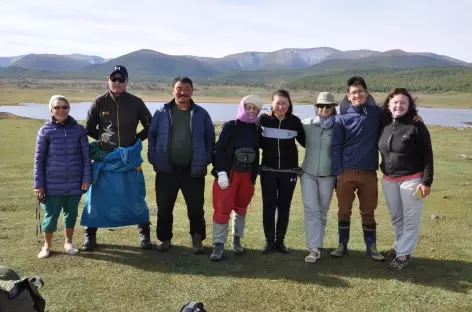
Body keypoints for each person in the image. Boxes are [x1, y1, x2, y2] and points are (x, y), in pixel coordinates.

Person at [82, 65, 153, 250]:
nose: (117, 82)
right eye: (114, 79)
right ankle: (90, 235)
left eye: (121, 79)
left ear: (127, 82)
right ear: (108, 80)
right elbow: (89, 128)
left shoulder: (136, 102)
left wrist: (136, 139)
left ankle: (144, 235)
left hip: (129, 159)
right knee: (96, 197)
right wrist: (103, 141)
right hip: (105, 159)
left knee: (136, 196)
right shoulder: (99, 102)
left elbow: (150, 125)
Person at [148, 76, 215, 254]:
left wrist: (206, 158)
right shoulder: (161, 112)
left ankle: (197, 239)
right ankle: (164, 239)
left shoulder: (201, 114)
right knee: (164, 207)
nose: (183, 92)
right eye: (179, 88)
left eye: (186, 88)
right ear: (173, 90)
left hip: (193, 170)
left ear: (192, 91)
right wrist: (153, 157)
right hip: (166, 169)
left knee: (195, 207)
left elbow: (210, 138)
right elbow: (152, 136)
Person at [378, 88, 434, 270]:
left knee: (410, 219)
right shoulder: (384, 123)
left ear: (409, 106)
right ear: (388, 104)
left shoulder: (416, 126)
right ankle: (399, 247)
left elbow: (427, 156)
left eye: (403, 103)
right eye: (395, 102)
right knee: (396, 217)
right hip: (388, 179)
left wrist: (426, 182)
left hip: (412, 179)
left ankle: (403, 255)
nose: (398, 106)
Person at [331, 76, 385, 261]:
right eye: (353, 92)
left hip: (369, 171)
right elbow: (336, 146)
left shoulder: (377, 113)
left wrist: (415, 116)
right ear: (348, 95)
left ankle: (372, 247)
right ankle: (341, 245)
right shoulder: (341, 118)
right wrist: (338, 171)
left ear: (366, 92)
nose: (357, 95)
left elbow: (398, 113)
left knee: (368, 211)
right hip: (346, 171)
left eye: (360, 91)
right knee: (344, 210)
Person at [33, 95, 92, 258]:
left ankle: (68, 242)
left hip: (74, 183)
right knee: (50, 217)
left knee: (71, 215)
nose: (60, 110)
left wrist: (86, 179)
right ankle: (47, 246)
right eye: (57, 107)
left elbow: (86, 156)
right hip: (52, 183)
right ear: (51, 110)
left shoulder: (79, 129)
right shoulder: (45, 130)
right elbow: (39, 159)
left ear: (69, 109)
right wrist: (39, 184)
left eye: (64, 107)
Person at [210, 94, 263, 261]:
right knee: (222, 207)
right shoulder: (230, 126)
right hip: (230, 174)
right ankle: (218, 245)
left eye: (255, 108)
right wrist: (221, 172)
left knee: (241, 208)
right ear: (242, 107)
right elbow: (220, 150)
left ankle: (236, 240)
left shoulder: (256, 129)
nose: (252, 111)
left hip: (247, 175)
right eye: (249, 107)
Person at [259, 90, 305, 254]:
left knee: (284, 207)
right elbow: (255, 140)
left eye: (284, 103)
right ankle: (269, 241)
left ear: (289, 104)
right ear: (271, 103)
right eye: (277, 103)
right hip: (268, 171)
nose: (280, 106)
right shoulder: (263, 120)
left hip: (288, 172)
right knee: (268, 207)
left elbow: (307, 143)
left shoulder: (295, 122)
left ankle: (280, 241)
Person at [300, 92, 337, 263]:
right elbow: (285, 124)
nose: (324, 109)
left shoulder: (339, 126)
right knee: (311, 210)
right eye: (320, 106)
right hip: (307, 174)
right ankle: (313, 248)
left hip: (328, 176)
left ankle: (318, 245)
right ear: (316, 108)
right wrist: (268, 113)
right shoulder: (306, 124)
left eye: (327, 106)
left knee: (322, 212)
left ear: (333, 108)